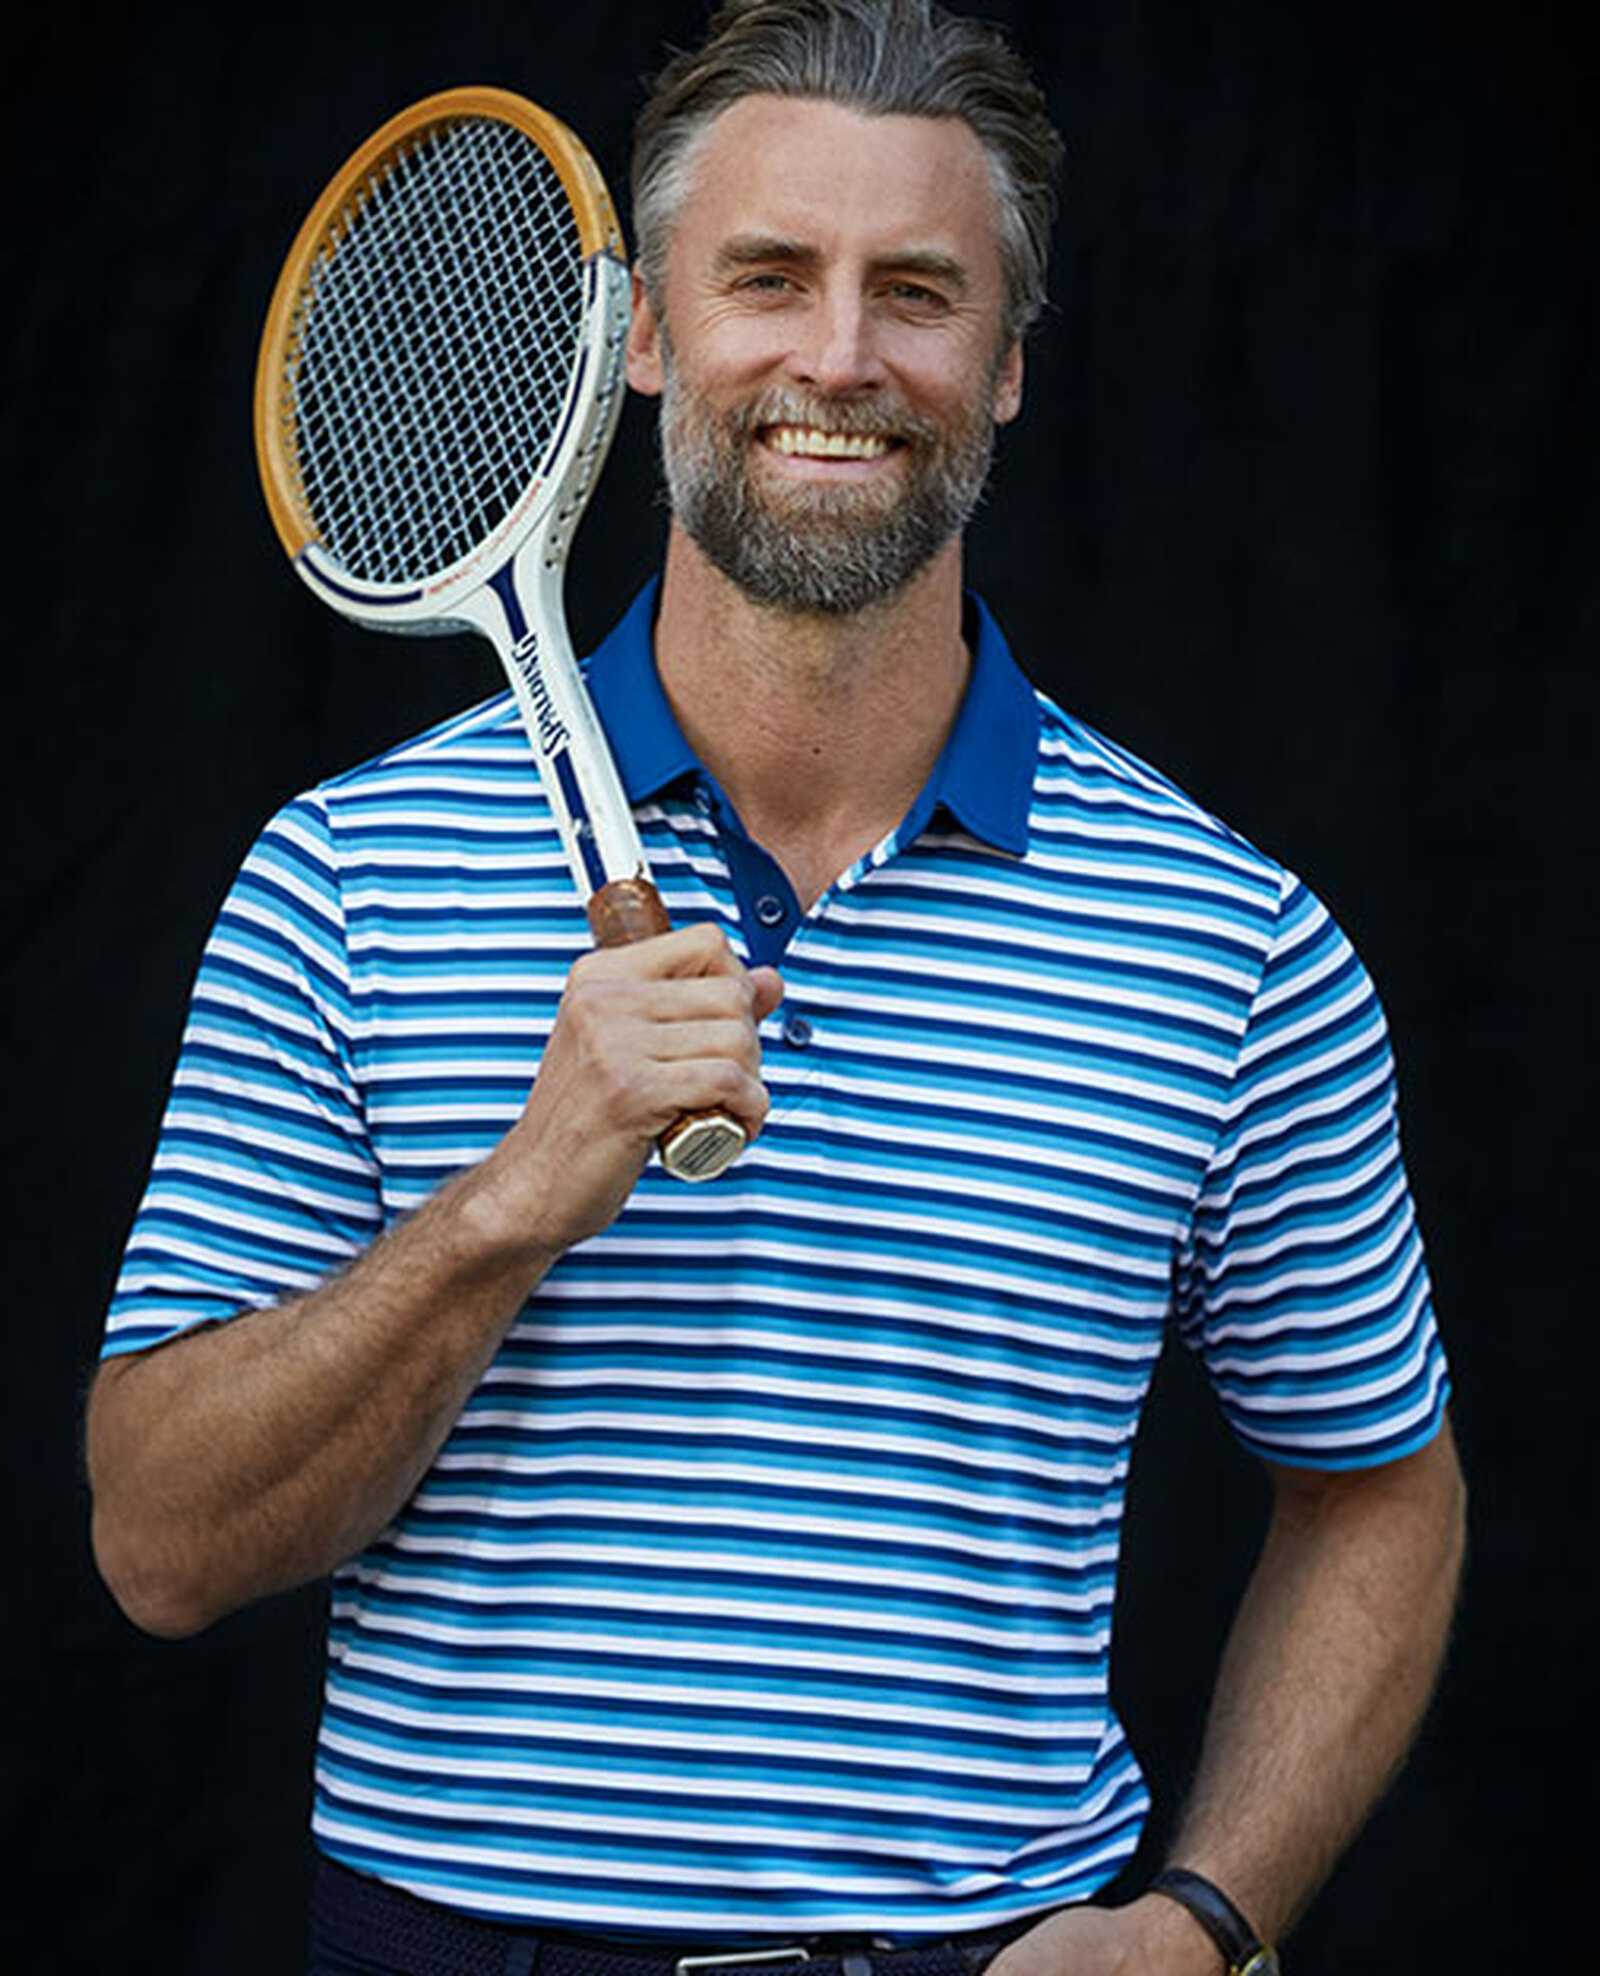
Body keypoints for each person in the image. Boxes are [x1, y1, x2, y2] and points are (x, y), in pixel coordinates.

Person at [89, 4, 1466, 1973]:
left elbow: (1376, 1498)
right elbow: (155, 1547)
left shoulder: (1227, 939)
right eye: (766, 278)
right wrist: (512, 1198)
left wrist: (1199, 1922)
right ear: (641, 333)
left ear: (1001, 367)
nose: (838, 357)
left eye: (917, 292)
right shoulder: (344, 879)